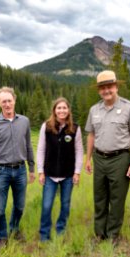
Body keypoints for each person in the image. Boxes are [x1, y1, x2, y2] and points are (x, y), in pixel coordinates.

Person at [85, 70, 130, 245]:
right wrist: (88, 159)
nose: (106, 90)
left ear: (116, 86)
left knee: (117, 198)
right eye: (102, 88)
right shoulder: (94, 109)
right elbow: (91, 135)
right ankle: (99, 233)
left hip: (120, 159)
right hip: (99, 158)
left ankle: (113, 235)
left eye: (109, 86)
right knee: (99, 196)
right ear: (98, 90)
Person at [0, 86, 35, 247]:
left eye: (9, 100)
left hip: (20, 170)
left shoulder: (24, 121)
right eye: (4, 101)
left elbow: (28, 145)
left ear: (14, 101)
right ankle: (2, 236)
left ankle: (14, 229)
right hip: (0, 172)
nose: (7, 104)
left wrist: (31, 168)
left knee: (19, 206)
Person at [37, 97, 84, 241]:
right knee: (46, 205)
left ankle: (60, 231)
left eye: (64, 108)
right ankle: (44, 235)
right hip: (49, 174)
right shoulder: (46, 127)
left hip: (68, 175)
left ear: (68, 110)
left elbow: (79, 151)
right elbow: (40, 150)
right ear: (54, 111)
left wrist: (77, 172)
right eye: (59, 108)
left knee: (65, 205)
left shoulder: (75, 128)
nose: (62, 110)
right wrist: (40, 171)